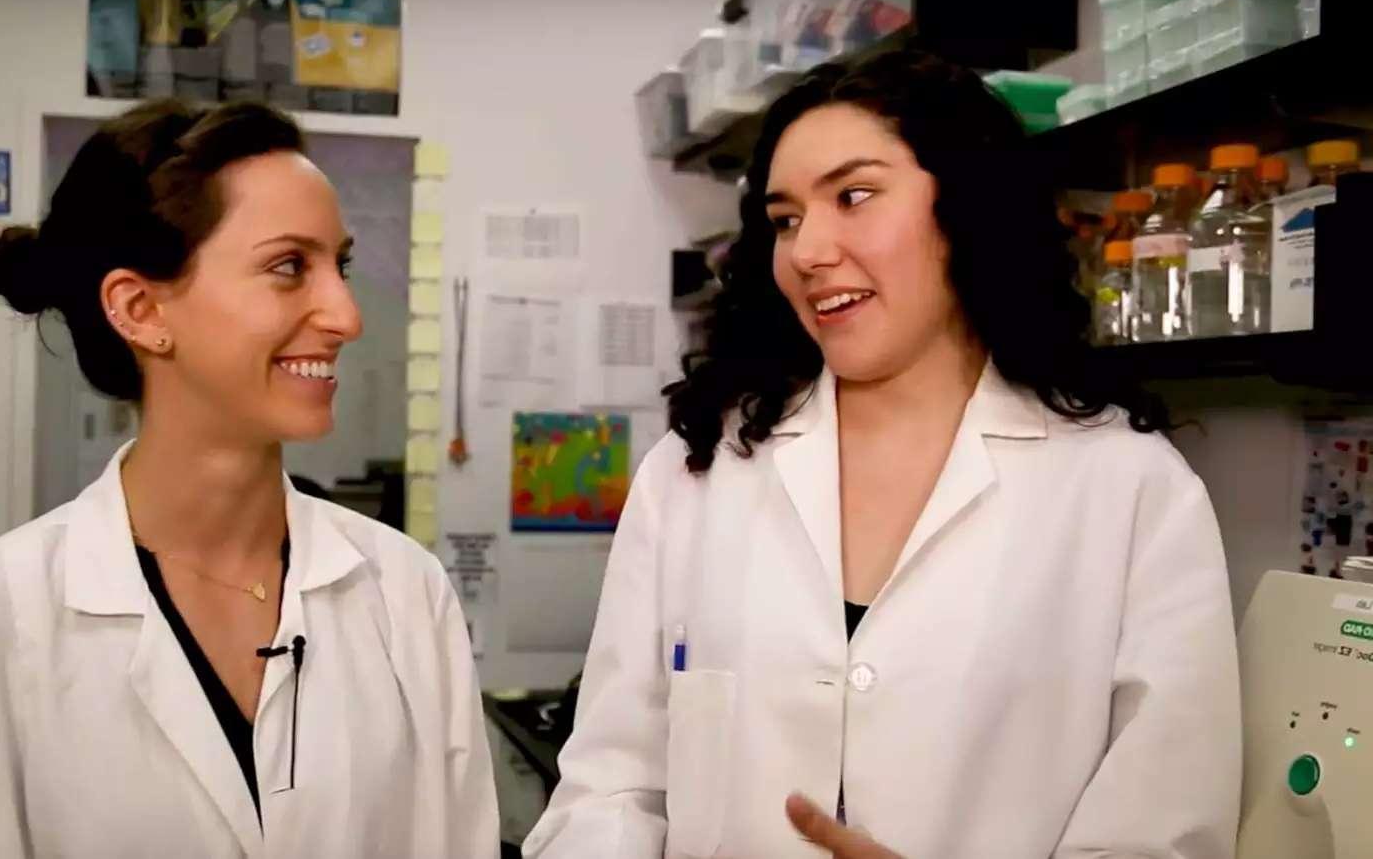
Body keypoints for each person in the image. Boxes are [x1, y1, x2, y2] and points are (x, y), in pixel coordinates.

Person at [524, 50, 1240, 859]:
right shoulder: (699, 470)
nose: (807, 251)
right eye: (786, 219)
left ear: (966, 208)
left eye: (853, 196)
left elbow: (1165, 830)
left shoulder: (1128, 486)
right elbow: (612, 785)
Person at [0, 100, 498, 858]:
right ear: (140, 307)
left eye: (338, 265)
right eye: (290, 266)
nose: (346, 314)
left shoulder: (405, 594)